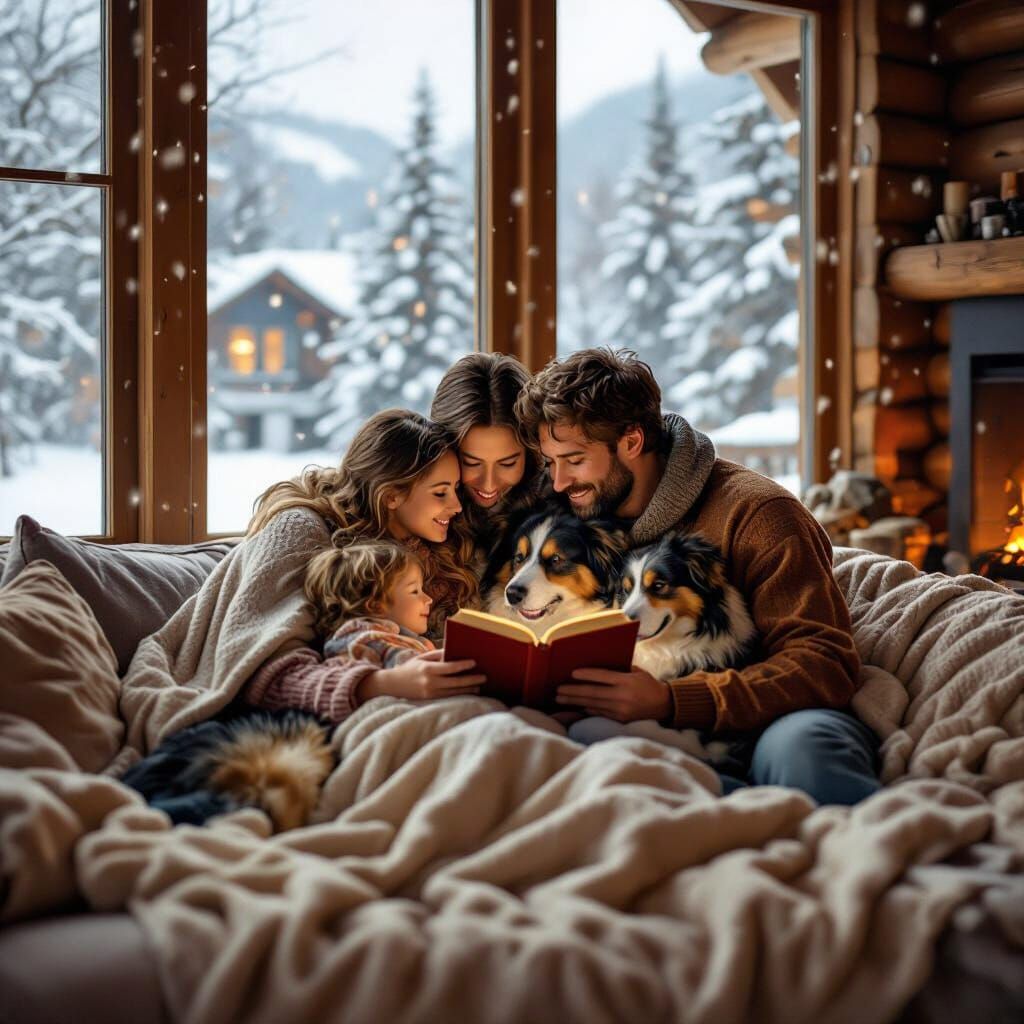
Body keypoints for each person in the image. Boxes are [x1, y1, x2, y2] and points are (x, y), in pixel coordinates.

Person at [514, 347, 878, 806]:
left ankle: (820, 835)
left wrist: (673, 701)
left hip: (771, 718)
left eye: (574, 460)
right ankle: (736, 819)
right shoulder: (574, 515)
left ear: (632, 441)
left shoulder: (758, 514)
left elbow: (824, 663)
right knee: (583, 742)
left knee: (804, 751)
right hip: (640, 726)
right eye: (551, 463)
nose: (560, 482)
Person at [242, 409, 486, 723]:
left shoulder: (438, 549)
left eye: (456, 490)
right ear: (391, 495)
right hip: (362, 707)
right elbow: (266, 675)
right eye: (440, 493)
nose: (457, 506)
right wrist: (382, 683)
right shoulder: (302, 530)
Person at [430, 352, 545, 565]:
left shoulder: (555, 509)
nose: (489, 484)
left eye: (508, 464)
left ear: (532, 453)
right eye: (471, 463)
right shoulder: (417, 510)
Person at [305, 540, 436, 674]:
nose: (429, 599)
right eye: (414, 591)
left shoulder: (395, 635)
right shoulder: (361, 638)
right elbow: (406, 665)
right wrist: (432, 660)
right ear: (375, 605)